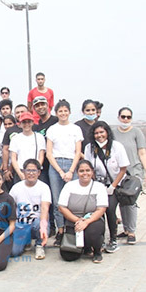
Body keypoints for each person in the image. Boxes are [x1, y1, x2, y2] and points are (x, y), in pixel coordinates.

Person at [84, 121, 130, 253]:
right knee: (97, 212)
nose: (99, 135)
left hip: (113, 185)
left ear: (107, 133)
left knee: (110, 210)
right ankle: (100, 239)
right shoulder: (89, 148)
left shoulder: (117, 146)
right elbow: (88, 167)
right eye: (96, 133)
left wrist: (113, 186)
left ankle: (113, 239)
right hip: (97, 185)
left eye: (102, 132)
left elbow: (123, 168)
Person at [112, 107, 146, 245]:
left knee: (131, 202)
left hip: (133, 173)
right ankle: (126, 229)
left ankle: (132, 232)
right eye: (123, 117)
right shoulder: (113, 133)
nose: (125, 120)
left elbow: (142, 153)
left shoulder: (136, 132)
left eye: (128, 117)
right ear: (118, 117)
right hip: (119, 174)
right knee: (122, 202)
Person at [46, 100, 83, 247]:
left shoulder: (76, 129)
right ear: (56, 113)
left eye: (65, 111)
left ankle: (71, 230)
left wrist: (71, 171)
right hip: (55, 166)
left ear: (69, 112)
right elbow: (49, 153)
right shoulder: (52, 129)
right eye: (60, 111)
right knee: (57, 202)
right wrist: (61, 171)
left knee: (73, 201)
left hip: (71, 164)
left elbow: (78, 152)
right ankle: (60, 231)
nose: (63, 113)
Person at [58, 160, 108, 264]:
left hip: (92, 219)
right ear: (77, 172)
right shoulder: (69, 186)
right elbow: (62, 207)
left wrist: (86, 222)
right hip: (73, 219)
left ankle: (97, 251)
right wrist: (78, 220)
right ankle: (85, 248)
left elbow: (101, 209)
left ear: (92, 172)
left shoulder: (99, 187)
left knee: (92, 231)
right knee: (68, 256)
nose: (85, 173)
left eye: (87, 170)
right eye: (81, 171)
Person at [9, 159, 51, 259]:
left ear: (39, 172)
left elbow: (45, 208)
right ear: (23, 172)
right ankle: (25, 243)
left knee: (39, 223)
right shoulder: (16, 187)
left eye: (34, 171)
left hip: (37, 223)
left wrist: (44, 226)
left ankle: (39, 245)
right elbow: (10, 206)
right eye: (28, 170)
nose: (31, 173)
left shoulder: (44, 187)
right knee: (13, 252)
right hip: (21, 224)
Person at [10, 112, 46, 181]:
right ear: (20, 124)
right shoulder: (15, 138)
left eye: (29, 122)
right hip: (21, 171)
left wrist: (36, 171)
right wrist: (20, 173)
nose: (27, 124)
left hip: (35, 171)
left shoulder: (39, 137)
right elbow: (13, 158)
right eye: (24, 122)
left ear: (32, 123)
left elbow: (41, 156)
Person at [32, 96, 59, 185]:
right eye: (37, 106)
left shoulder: (56, 121)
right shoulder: (36, 126)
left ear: (47, 105)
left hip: (56, 163)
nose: (40, 107)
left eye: (42, 104)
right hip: (43, 166)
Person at [1, 104, 28, 188]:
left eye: (22, 112)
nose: (20, 114)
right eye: (17, 112)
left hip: (32, 168)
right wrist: (6, 170)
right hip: (17, 168)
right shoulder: (10, 130)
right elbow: (5, 150)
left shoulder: (33, 128)